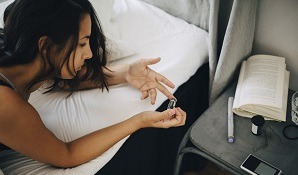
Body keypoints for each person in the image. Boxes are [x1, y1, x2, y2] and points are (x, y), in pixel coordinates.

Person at [0, 0, 186, 169]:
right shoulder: (5, 102)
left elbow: (66, 79)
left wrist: (126, 73)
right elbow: (66, 155)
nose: (89, 53)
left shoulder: (22, 51)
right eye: (82, 44)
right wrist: (139, 120)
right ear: (46, 45)